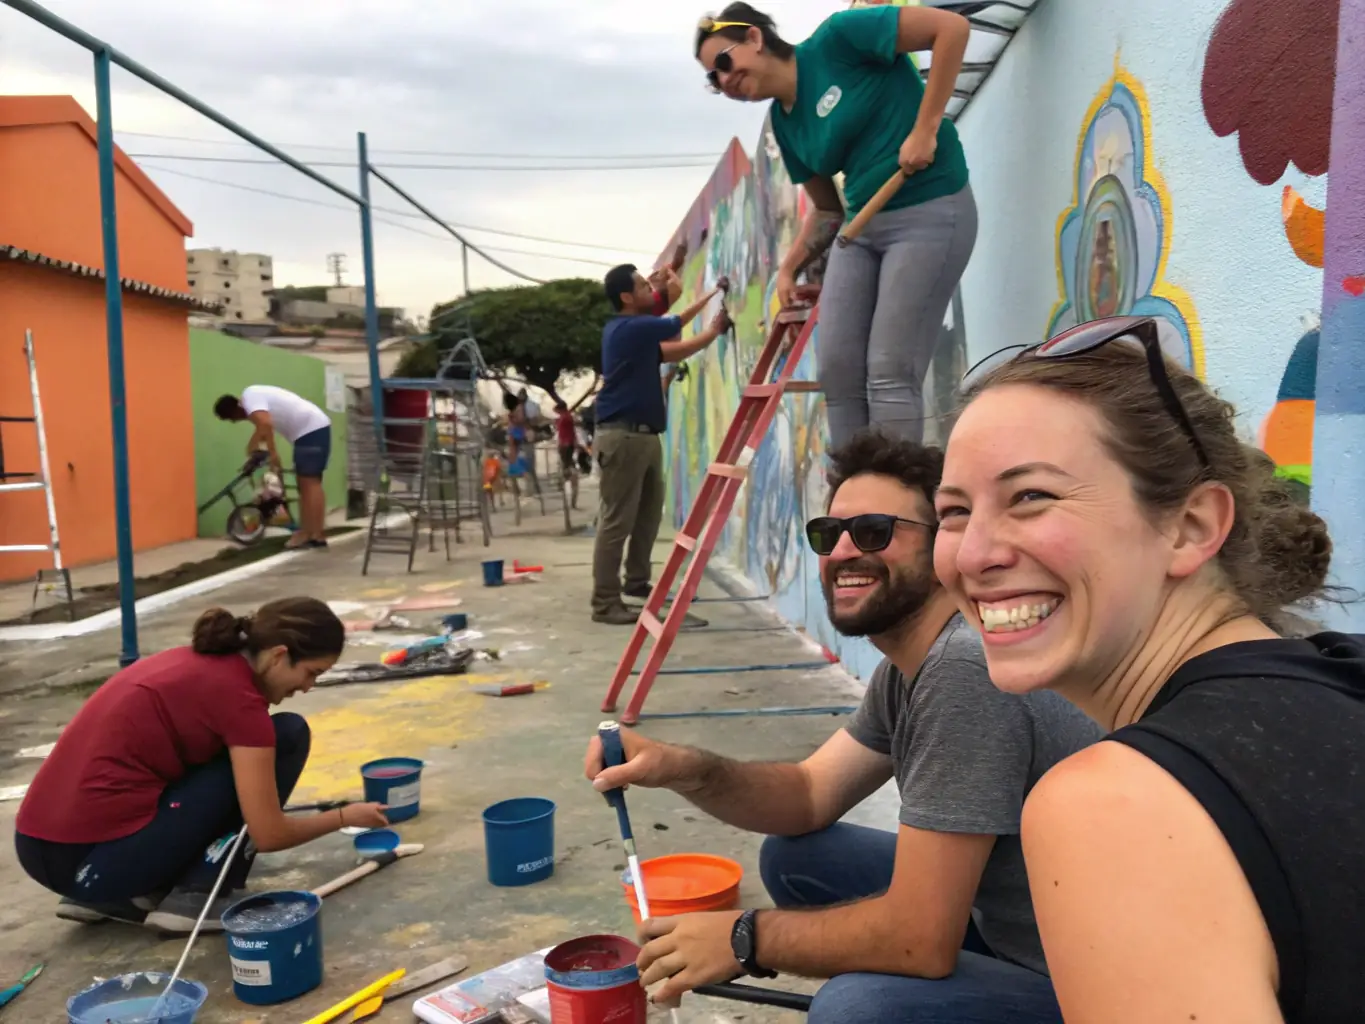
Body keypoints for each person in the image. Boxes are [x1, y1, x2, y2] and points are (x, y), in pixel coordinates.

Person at [584, 431, 1102, 1022]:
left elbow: (919, 941)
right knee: (797, 856)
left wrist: (741, 938)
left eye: (875, 532)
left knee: (855, 1009)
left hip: (1088, 986)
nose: (845, 552)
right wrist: (682, 769)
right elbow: (808, 795)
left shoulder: (964, 670)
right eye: (829, 535)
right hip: (1012, 924)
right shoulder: (910, 667)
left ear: (944, 546)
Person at [933, 314, 1365, 1022]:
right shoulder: (1334, 677)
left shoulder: (1113, 805)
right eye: (952, 512)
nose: (972, 554)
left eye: (1030, 496)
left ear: (1190, 528)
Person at [13, 598, 389, 937]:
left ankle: (119, 895)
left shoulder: (193, 662)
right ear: (278, 655)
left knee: (220, 765)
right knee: (288, 734)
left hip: (44, 852)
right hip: (94, 867)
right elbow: (270, 834)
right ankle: (198, 894)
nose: (308, 687)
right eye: (311, 672)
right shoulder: (240, 701)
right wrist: (344, 816)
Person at [695, 3, 978, 449]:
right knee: (838, 372)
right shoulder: (784, 127)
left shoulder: (839, 38)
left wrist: (926, 130)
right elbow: (828, 210)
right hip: (862, 228)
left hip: (930, 211)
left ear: (753, 38)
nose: (724, 80)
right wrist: (788, 268)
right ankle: (854, 497)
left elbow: (952, 29)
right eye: (714, 78)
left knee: (889, 369)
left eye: (724, 62)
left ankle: (893, 502)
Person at [591, 264, 730, 624]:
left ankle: (636, 583)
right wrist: (713, 294)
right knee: (616, 522)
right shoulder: (628, 328)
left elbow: (674, 352)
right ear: (626, 297)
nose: (647, 291)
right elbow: (675, 322)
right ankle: (605, 602)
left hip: (643, 436)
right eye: (640, 286)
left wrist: (714, 333)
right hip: (623, 436)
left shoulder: (636, 337)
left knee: (648, 516)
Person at [214, 386, 333, 549]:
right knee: (309, 483)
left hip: (310, 430)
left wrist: (263, 450)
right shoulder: (255, 399)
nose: (237, 421)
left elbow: (265, 423)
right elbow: (264, 428)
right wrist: (263, 450)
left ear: (234, 411)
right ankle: (316, 534)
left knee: (309, 483)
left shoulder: (250, 397)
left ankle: (308, 533)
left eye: (233, 419)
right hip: (313, 429)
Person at [553, 399, 580, 509]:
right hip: (568, 444)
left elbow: (564, 432)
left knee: (566, 464)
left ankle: (563, 479)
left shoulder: (564, 418)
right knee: (567, 464)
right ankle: (564, 478)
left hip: (565, 445)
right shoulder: (567, 417)